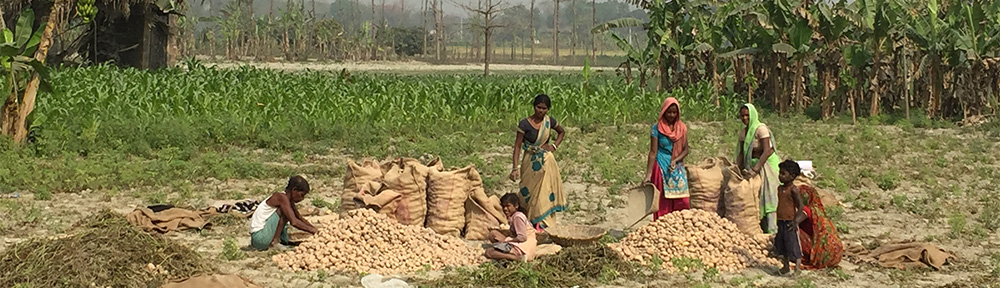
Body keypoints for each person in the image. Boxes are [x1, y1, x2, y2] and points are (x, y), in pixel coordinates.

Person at [509, 94, 567, 230]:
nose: (541, 111)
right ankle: (527, 220)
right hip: (530, 161)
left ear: (548, 109)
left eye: (544, 108)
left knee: (543, 191)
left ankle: (541, 223)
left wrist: (554, 146)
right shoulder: (524, 124)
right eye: (538, 107)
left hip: (546, 161)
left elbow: (561, 132)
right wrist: (514, 167)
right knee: (527, 191)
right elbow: (517, 146)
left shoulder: (549, 122)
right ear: (534, 107)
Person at [642, 97, 690, 220]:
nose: (671, 115)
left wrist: (675, 160)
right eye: (669, 112)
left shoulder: (682, 128)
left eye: (674, 112)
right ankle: (662, 224)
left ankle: (679, 223)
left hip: (676, 165)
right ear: (664, 111)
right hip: (661, 165)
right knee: (662, 200)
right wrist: (648, 174)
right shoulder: (656, 128)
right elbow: (653, 152)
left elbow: (686, 149)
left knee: (682, 200)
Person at [737, 103, 781, 234]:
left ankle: (773, 230)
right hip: (753, 164)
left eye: (747, 115)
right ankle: (760, 227)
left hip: (767, 164)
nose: (745, 118)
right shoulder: (743, 133)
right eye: (742, 116)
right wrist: (736, 169)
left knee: (769, 194)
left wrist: (755, 169)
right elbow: (741, 153)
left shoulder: (760, 129)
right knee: (756, 195)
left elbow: (767, 151)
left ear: (753, 115)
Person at [249, 175, 319, 251]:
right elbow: (294, 221)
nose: (302, 199)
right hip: (259, 238)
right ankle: (275, 242)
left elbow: (298, 217)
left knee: (288, 212)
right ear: (294, 190)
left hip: (261, 238)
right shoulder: (282, 198)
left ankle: (280, 240)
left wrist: (315, 229)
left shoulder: (288, 200)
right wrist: (313, 231)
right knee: (283, 212)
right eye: (301, 195)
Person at [485, 193, 538, 262]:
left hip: (524, 246)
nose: (505, 209)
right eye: (503, 206)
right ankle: (509, 255)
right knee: (493, 234)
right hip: (524, 245)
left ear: (516, 206)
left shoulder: (518, 217)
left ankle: (517, 258)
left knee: (489, 252)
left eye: (508, 206)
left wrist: (508, 240)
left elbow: (522, 237)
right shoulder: (515, 216)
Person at [776, 160, 807, 275]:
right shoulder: (780, 189)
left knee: (793, 244)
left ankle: (797, 268)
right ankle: (785, 266)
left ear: (792, 176)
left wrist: (796, 221)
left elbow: (800, 206)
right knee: (782, 244)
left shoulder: (793, 190)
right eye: (780, 173)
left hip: (790, 221)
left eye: (783, 174)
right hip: (781, 220)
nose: (780, 176)